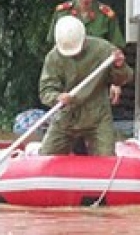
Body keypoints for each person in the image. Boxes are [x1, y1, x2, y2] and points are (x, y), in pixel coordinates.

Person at [39, 16, 134, 156]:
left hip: (97, 116)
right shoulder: (53, 58)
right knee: (47, 155)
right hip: (67, 116)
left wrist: (119, 66)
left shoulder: (104, 50)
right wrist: (57, 98)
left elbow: (123, 78)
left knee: (106, 159)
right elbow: (46, 90)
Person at [47, 0, 127, 105]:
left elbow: (116, 51)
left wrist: (116, 83)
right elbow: (53, 48)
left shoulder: (106, 16)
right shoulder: (62, 13)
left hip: (96, 80)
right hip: (67, 77)